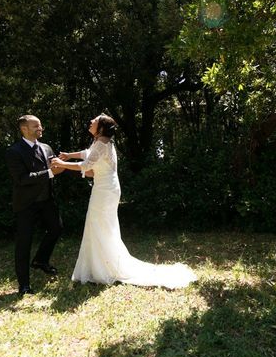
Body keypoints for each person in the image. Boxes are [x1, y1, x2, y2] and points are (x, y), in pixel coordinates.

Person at [51, 113, 197, 289]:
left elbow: (86, 165)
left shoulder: (101, 143)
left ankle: (104, 268)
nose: (91, 121)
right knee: (100, 225)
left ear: (102, 127)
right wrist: (69, 155)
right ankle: (101, 266)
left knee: (99, 225)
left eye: (95, 121)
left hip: (104, 190)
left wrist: (62, 164)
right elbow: (87, 154)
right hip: (107, 188)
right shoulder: (102, 142)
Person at [6, 115, 64, 296]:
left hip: (47, 200)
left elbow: (57, 166)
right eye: (36, 126)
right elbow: (22, 179)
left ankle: (40, 260)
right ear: (24, 129)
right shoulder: (14, 151)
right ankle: (24, 285)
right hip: (26, 204)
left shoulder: (46, 147)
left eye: (40, 125)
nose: (41, 128)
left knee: (57, 229)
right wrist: (49, 172)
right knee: (24, 243)